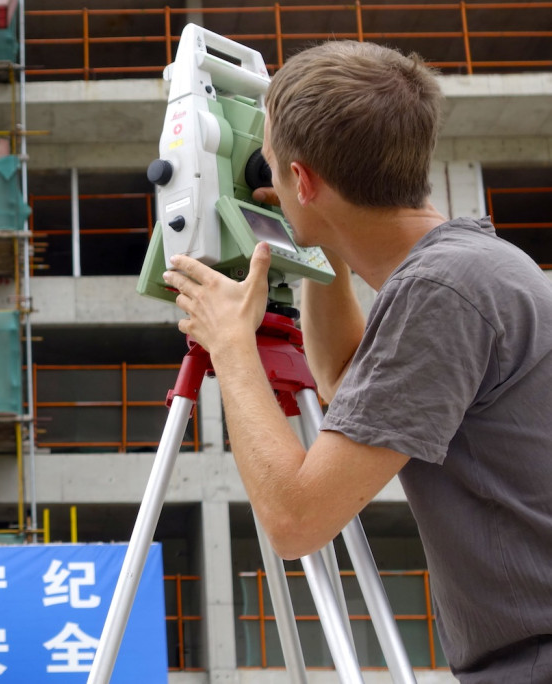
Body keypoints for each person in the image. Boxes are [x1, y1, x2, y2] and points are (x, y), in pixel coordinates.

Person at [162, 41, 552, 682]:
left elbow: (295, 521)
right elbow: (350, 390)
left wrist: (231, 345)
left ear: (305, 181)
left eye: (280, 167)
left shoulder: (442, 293)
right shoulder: (474, 266)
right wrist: (321, 242)